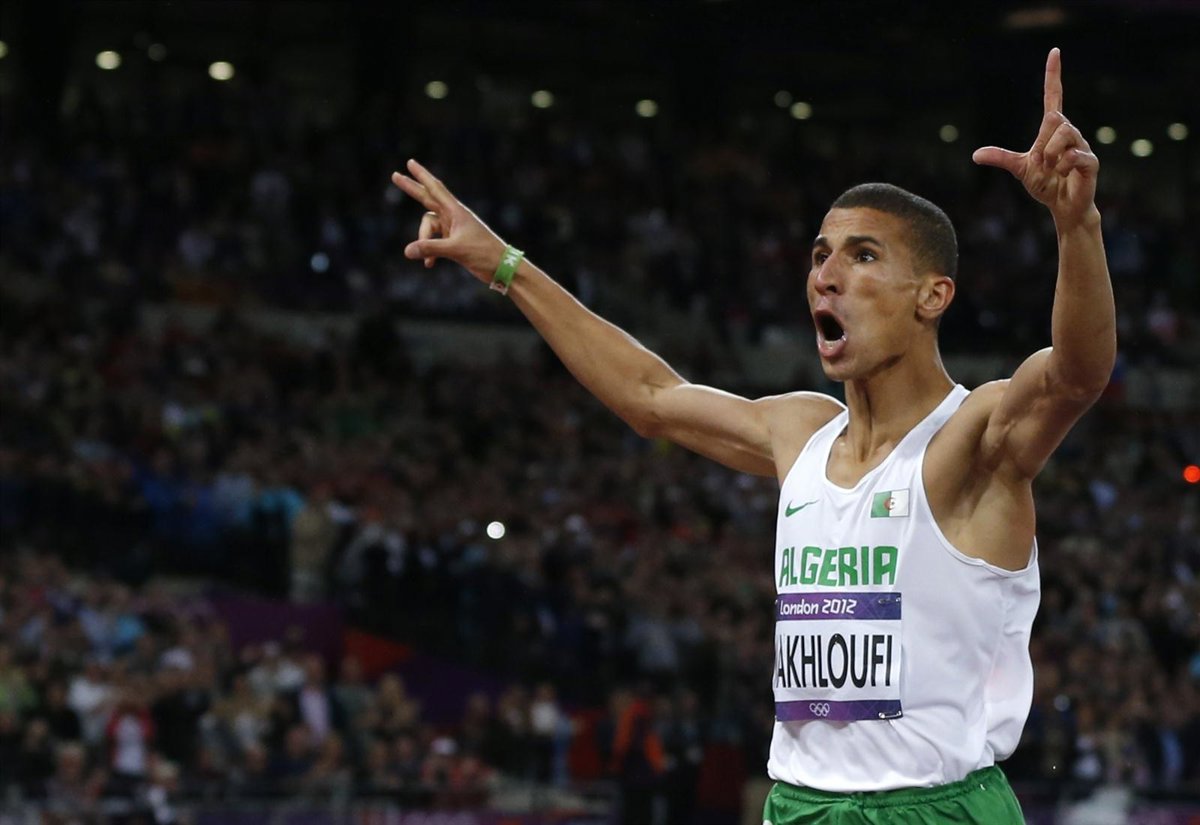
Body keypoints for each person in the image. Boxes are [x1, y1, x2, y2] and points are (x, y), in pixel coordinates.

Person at [392, 48, 1113, 825]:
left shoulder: (971, 437)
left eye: (863, 256)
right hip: (800, 801)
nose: (826, 275)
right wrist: (502, 264)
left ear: (932, 295)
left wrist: (1075, 224)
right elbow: (650, 397)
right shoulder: (800, 429)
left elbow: (1075, 375)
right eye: (819, 256)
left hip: (936, 807)